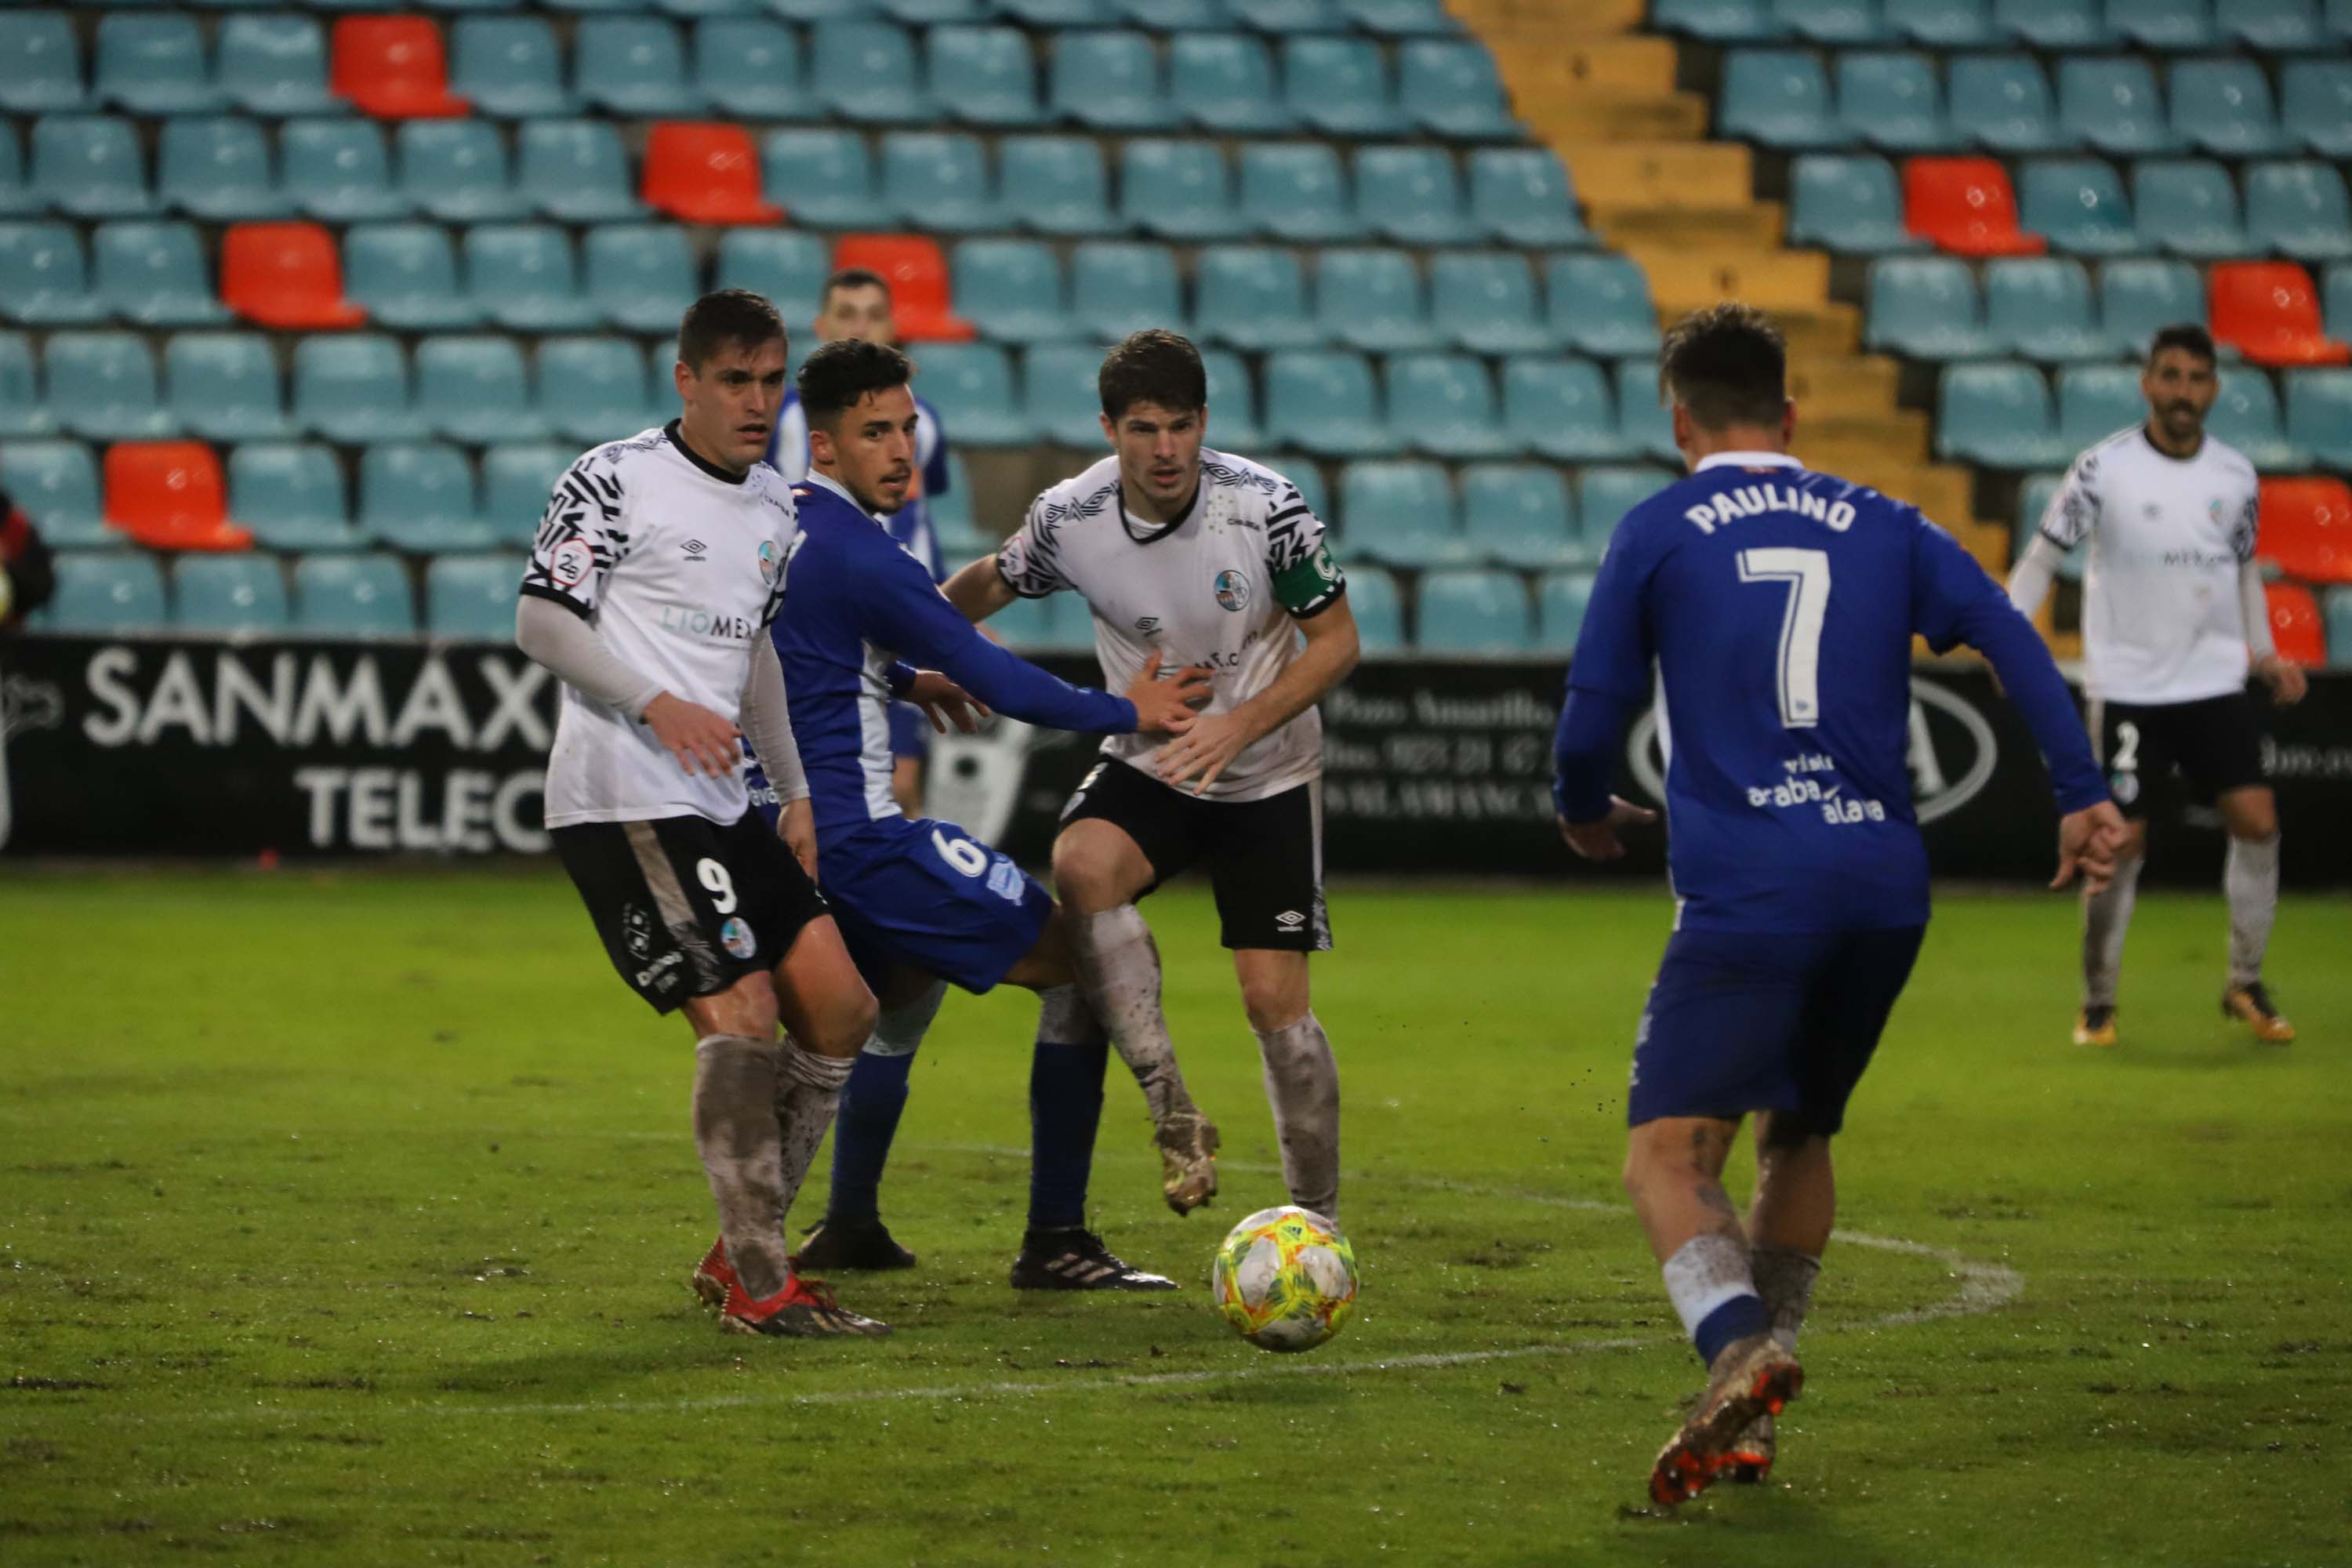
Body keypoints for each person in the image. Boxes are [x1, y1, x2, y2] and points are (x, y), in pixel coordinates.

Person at [1551, 303, 2125, 1508]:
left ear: (1680, 423)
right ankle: (1758, 1415)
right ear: (1792, 416)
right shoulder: (1889, 522)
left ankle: (1740, 1350)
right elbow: (2011, 639)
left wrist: (1585, 804)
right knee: (1797, 1135)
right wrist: (2078, 792)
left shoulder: (1659, 528)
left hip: (1753, 890)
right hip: (1881, 888)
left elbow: (1593, 710)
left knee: (1665, 1158)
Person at [768, 336, 1215, 1292]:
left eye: (906, 428)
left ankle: (825, 1228)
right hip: (864, 844)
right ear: (827, 445)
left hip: (798, 845)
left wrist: (895, 674)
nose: (899, 449)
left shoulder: (788, 528)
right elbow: (1000, 677)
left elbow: (803, 657)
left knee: (877, 1014)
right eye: (874, 432)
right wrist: (1127, 710)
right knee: (1079, 968)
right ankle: (1056, 1234)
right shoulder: (863, 552)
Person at [515, 289, 910, 1339]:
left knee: (842, 1009)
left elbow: (761, 660)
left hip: (723, 800)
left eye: (771, 380)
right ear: (685, 380)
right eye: (734, 379)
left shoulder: (776, 507)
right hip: (624, 797)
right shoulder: (613, 478)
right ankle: (759, 1280)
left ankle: (737, 1252)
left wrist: (795, 792)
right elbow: (541, 622)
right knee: (742, 1018)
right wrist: (654, 700)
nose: (755, 400)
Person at [2007, 323, 2307, 1049]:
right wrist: (2008, 634)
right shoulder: (2103, 469)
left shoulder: (2235, 476)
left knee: (2259, 821)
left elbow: (2240, 570)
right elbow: (2043, 557)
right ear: (2148, 384)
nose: (2182, 392)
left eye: (2196, 379)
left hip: (2213, 684)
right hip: (2131, 687)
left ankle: (2244, 980)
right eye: (2169, 377)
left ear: (2213, 389)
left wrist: (2263, 653)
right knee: (2120, 846)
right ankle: (2099, 1002)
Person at [767, 267, 956, 819]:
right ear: (821, 325)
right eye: (847, 316)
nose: (860, 328)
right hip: (818, 620)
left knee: (900, 785)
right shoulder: (783, 421)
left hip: (896, 616)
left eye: (873, 316)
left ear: (893, 326)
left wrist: (944, 595)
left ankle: (896, 896)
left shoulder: (923, 422)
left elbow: (919, 519)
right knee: (809, 785)